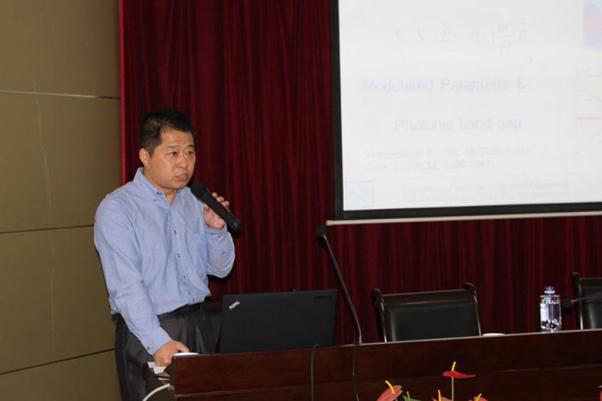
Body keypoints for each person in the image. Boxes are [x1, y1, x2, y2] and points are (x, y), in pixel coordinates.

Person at [94, 109, 235, 401]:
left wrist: (216, 229)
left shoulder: (195, 201)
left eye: (190, 153)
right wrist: (159, 342)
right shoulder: (118, 209)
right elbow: (126, 287)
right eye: (173, 153)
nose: (184, 163)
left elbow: (221, 270)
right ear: (145, 156)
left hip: (199, 325)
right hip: (149, 332)